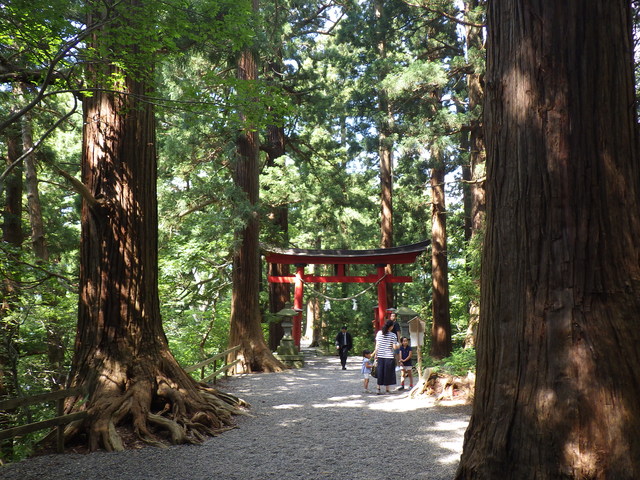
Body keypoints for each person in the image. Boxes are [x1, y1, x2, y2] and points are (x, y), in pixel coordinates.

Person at [371, 319, 398, 394]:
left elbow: (377, 345)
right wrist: (399, 345)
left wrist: (375, 355)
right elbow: (394, 347)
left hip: (380, 355)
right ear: (391, 327)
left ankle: (378, 389)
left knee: (380, 372)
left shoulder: (379, 333)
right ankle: (387, 389)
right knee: (387, 373)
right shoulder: (393, 335)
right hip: (389, 356)